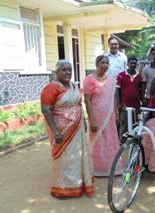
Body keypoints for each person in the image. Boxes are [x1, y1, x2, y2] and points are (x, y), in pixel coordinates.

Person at [40, 60, 94, 198]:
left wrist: (84, 122)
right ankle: (63, 188)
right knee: (64, 159)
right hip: (61, 130)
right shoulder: (51, 88)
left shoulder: (73, 85)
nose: (68, 72)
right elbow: (46, 110)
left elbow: (78, 104)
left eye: (70, 70)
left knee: (78, 157)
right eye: (64, 70)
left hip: (78, 128)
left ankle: (78, 184)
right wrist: (56, 131)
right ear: (56, 72)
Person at [83, 55, 121, 176]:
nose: (105, 65)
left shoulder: (110, 80)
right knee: (98, 141)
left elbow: (113, 98)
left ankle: (111, 166)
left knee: (110, 140)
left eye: (107, 63)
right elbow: (87, 100)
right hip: (96, 116)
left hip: (109, 116)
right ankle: (98, 168)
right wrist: (92, 120)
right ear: (97, 64)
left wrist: (116, 112)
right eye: (102, 62)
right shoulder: (89, 79)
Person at [116, 57, 143, 138]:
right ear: (127, 64)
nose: (133, 65)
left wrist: (142, 104)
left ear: (136, 65)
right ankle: (122, 142)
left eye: (134, 63)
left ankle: (134, 143)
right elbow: (117, 91)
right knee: (124, 125)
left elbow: (141, 91)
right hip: (125, 105)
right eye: (131, 63)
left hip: (136, 106)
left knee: (136, 124)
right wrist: (119, 104)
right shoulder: (121, 75)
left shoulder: (139, 76)